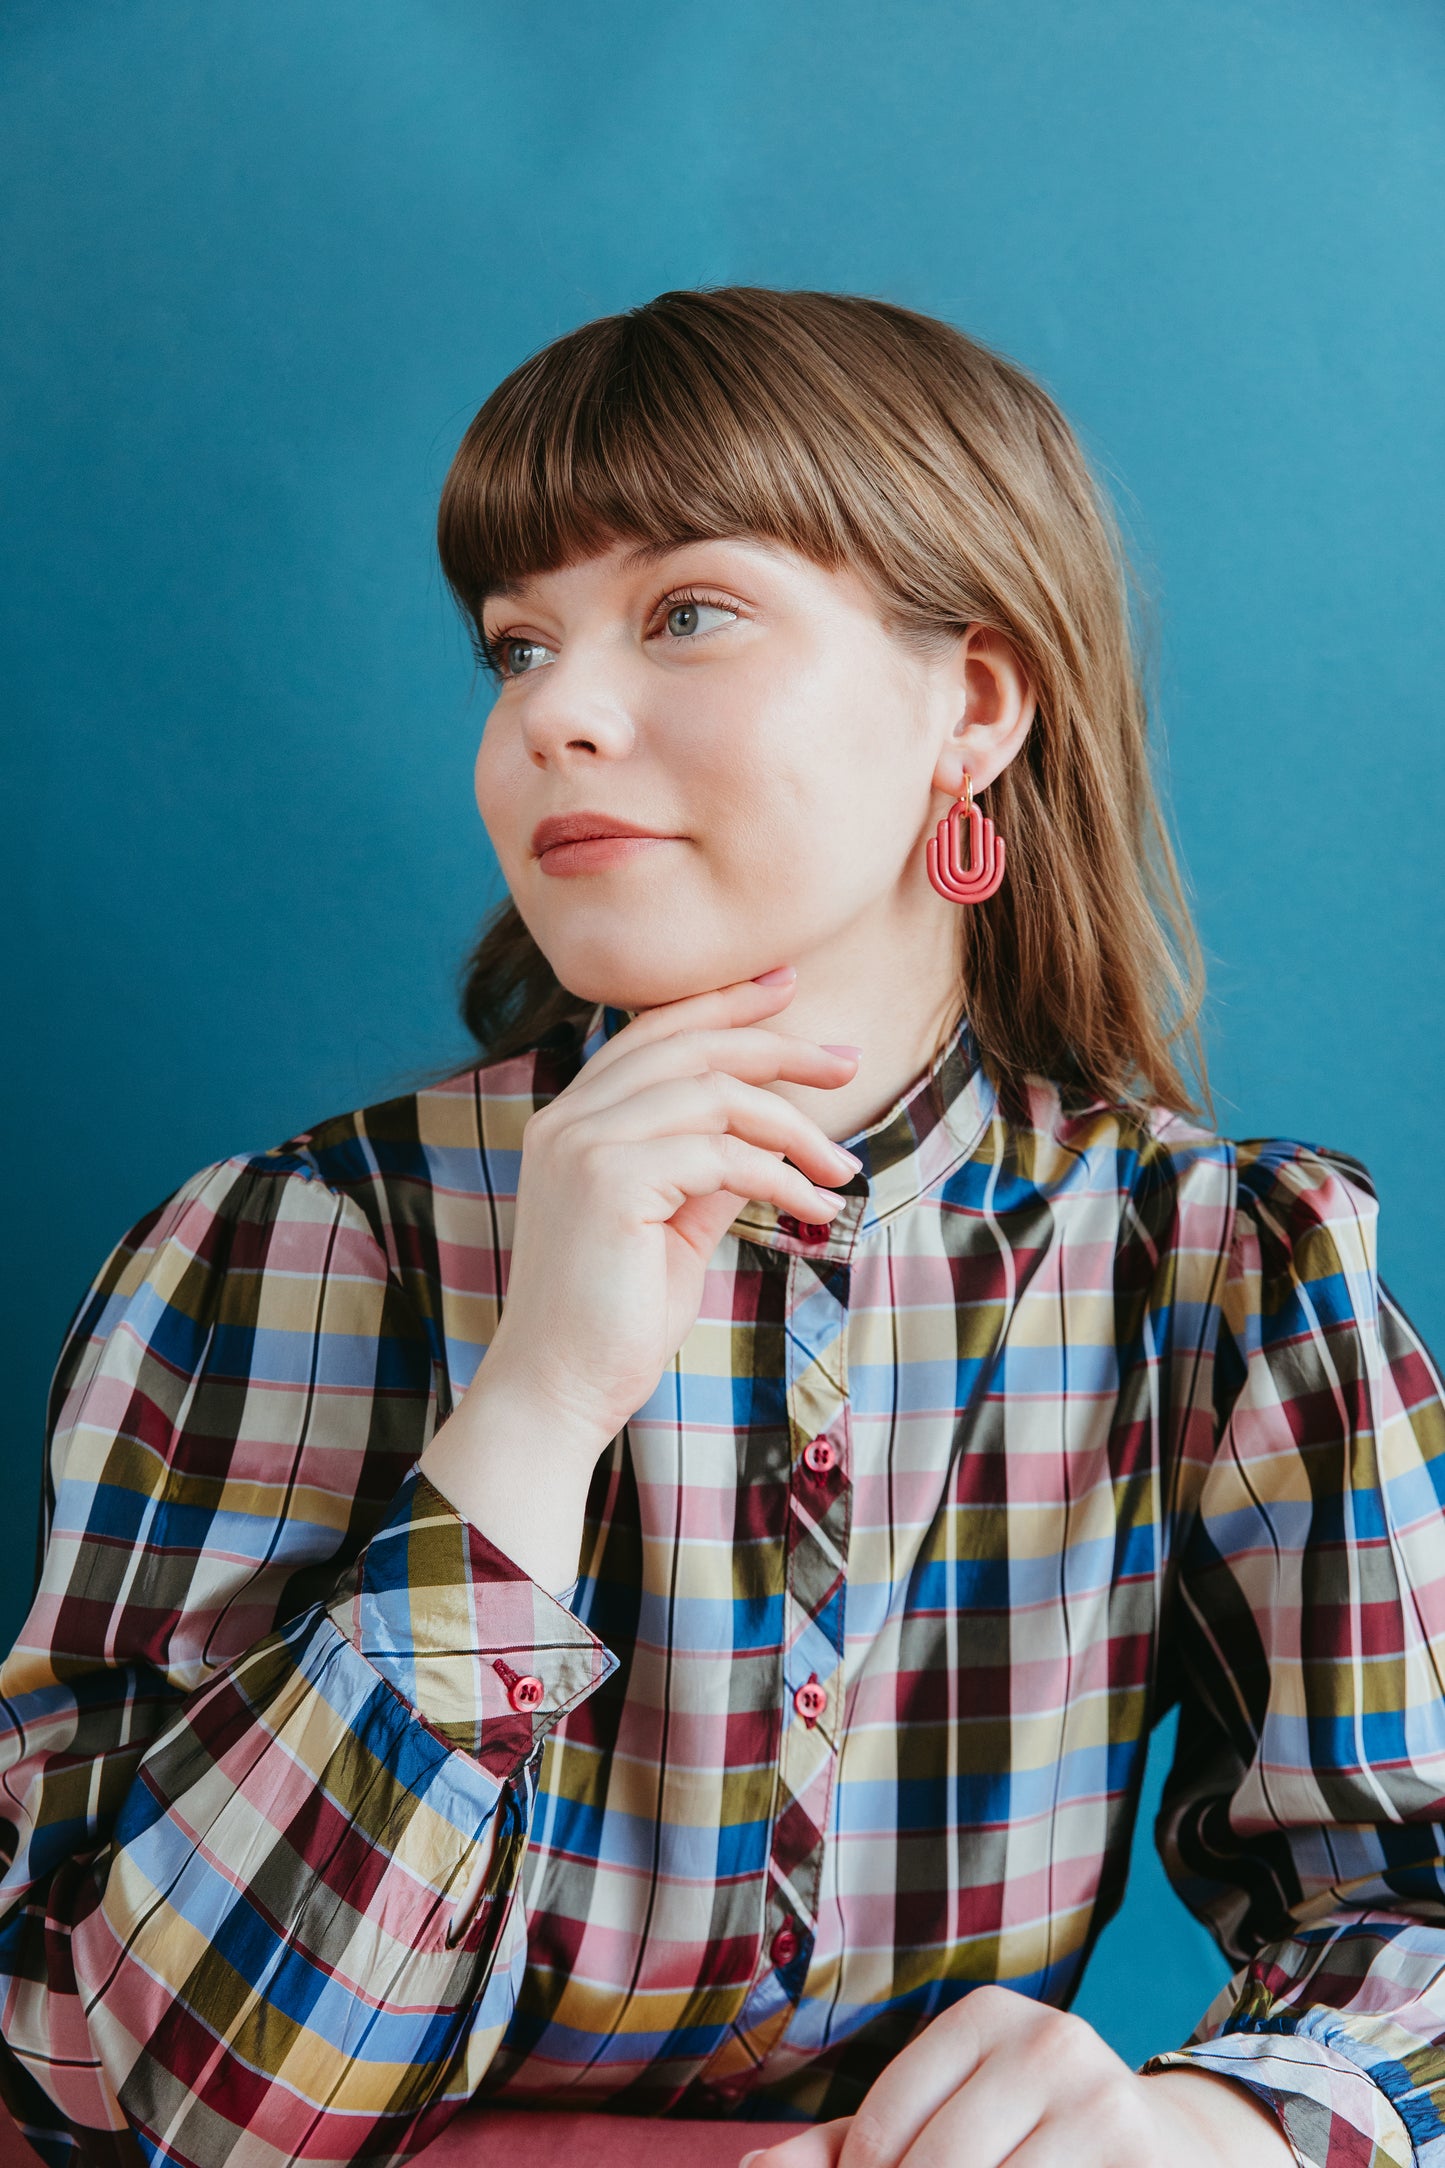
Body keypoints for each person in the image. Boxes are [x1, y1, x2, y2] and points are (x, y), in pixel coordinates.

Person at [1, 287, 1441, 2168]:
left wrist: (1218, 2129)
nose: (554, 717)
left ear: (975, 704)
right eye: (514, 647)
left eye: (686, 611)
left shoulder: (1223, 1272)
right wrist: (529, 1412)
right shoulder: (288, 1254)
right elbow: (126, 2093)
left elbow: (1408, 1906)